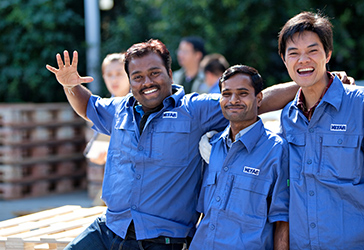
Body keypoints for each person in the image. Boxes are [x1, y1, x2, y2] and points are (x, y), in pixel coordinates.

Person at [45, 39, 298, 250]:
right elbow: (88, 106)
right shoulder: (120, 109)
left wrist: (313, 83)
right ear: (130, 81)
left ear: (169, 72)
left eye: (154, 73)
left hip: (160, 239)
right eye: (138, 77)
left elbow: (254, 101)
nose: (147, 82)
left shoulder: (193, 111)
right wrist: (71, 85)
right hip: (110, 227)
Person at [277, 11, 364, 249]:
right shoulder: (288, 117)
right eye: (294, 53)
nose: (303, 60)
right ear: (284, 59)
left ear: (328, 54)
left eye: (313, 50)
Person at [190, 65, 289, 250]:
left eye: (242, 93)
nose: (233, 100)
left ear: (259, 98)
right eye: (226, 94)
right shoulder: (214, 145)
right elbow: (206, 210)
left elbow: (282, 219)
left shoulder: (276, 150)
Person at [84, 53, 131, 205]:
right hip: (115, 184)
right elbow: (95, 154)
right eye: (109, 75)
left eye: (119, 74)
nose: (114, 79)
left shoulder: (143, 104)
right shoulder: (105, 107)